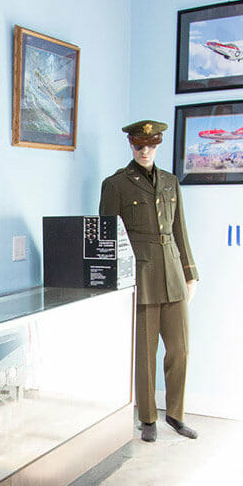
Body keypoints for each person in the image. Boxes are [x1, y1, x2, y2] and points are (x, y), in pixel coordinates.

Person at [99, 119, 199, 442]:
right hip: (139, 278)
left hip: (172, 275)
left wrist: (190, 272)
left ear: (158, 145)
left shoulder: (170, 183)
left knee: (180, 350)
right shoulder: (115, 185)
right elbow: (106, 238)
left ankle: (175, 414)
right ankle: (147, 418)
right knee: (145, 354)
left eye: (150, 145)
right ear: (131, 144)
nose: (145, 150)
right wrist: (115, 284)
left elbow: (180, 229)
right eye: (139, 145)